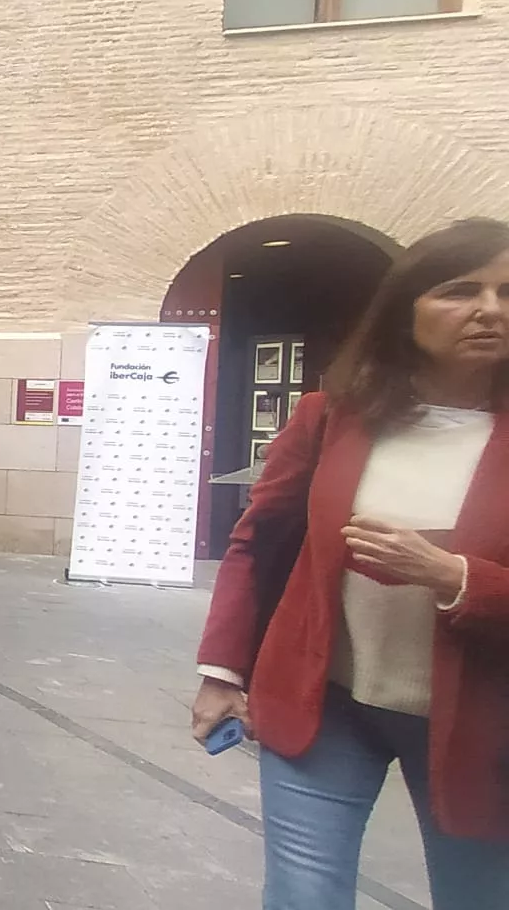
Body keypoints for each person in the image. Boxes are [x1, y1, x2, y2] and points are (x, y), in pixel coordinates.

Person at [193, 217, 509, 908]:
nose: (490, 310)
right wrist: (222, 670)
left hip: (481, 724)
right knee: (303, 896)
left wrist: (457, 578)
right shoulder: (333, 415)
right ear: (407, 310)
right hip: (325, 701)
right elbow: (261, 539)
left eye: (507, 293)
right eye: (461, 290)